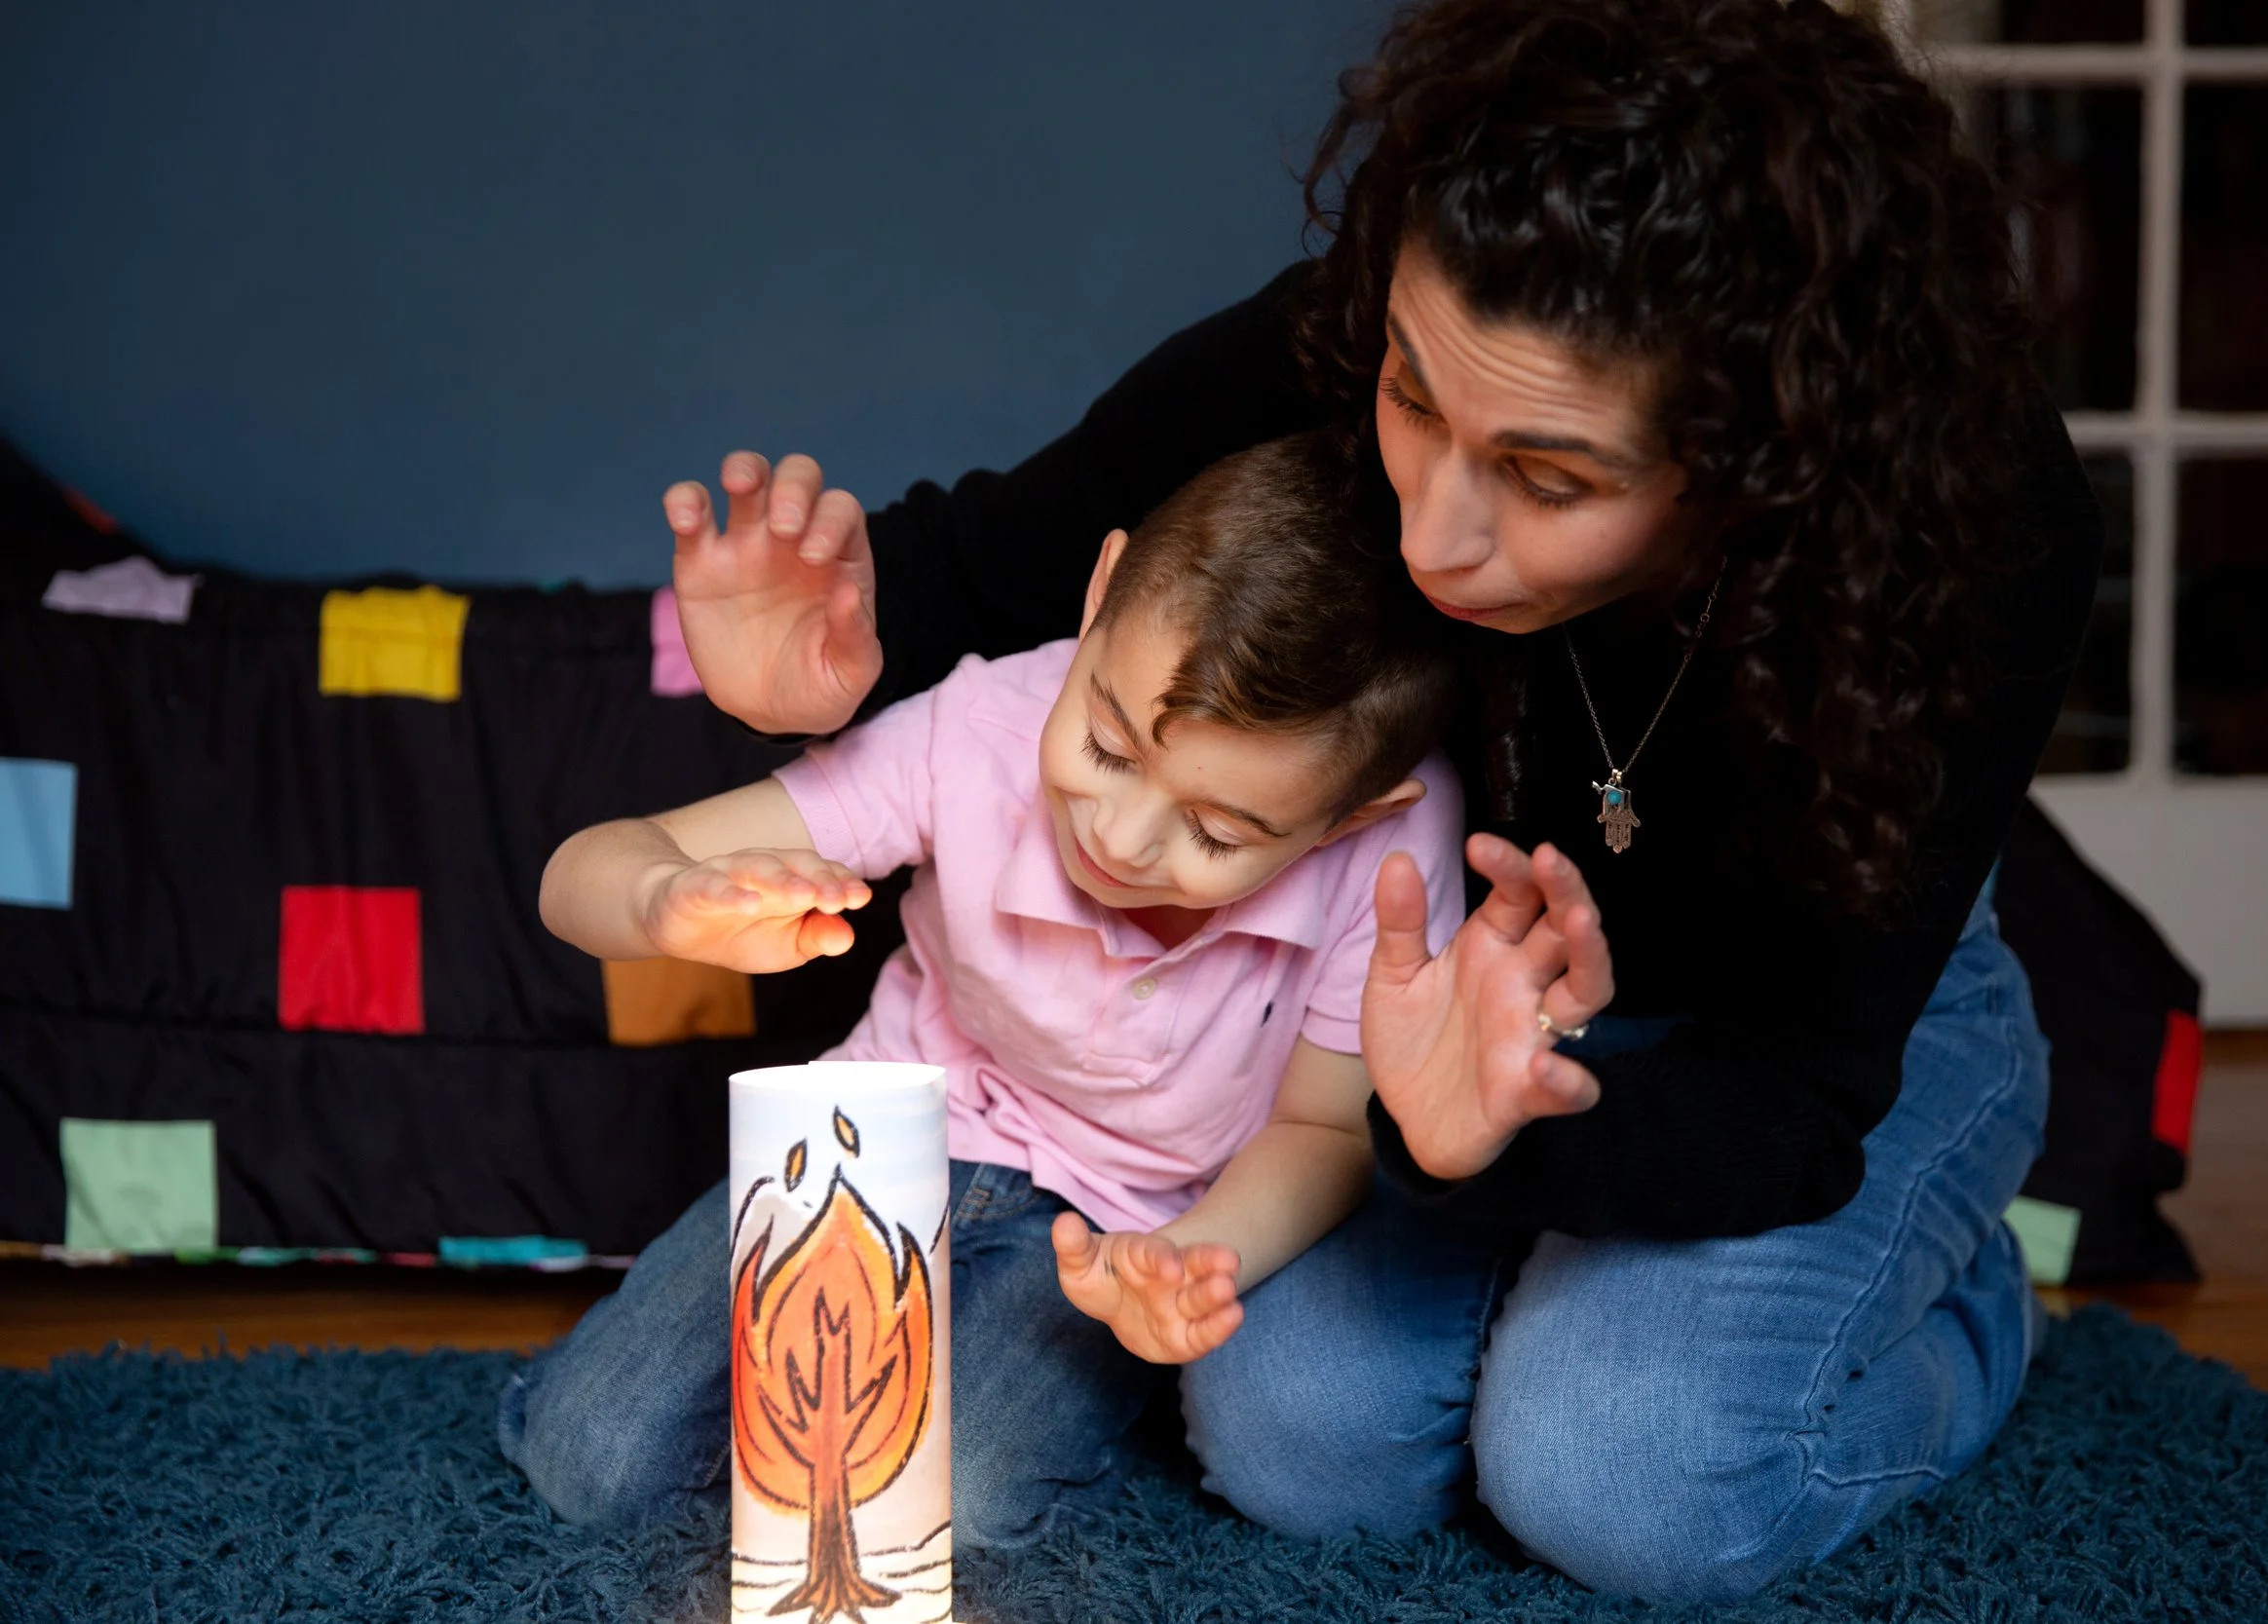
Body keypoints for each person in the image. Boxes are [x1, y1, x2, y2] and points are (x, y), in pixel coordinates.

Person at [662, 0, 2104, 1604]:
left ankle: (1975, 1299)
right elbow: (1006, 553)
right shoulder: (1351, 340)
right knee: (1301, 1445)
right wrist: (822, 658)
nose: (1434, 535)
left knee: (1613, 1472)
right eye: (1415, 400)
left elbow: (1801, 1086)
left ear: (1764, 456)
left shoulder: (1973, 534)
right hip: (1434, 1035)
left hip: (1780, 1043)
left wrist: (1513, 1136)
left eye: (1549, 479)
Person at [499, 433, 1467, 1546]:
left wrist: (1192, 1257)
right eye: (1105, 746)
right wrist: (661, 898)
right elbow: (580, 873)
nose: (1120, 838)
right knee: (594, 1457)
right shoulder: (981, 722)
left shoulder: (1393, 855)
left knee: (945, 1507)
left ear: (1353, 814)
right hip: (871, 1137)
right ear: (1100, 597)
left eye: (1215, 831)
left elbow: (1324, 1127)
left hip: (1104, 1227)